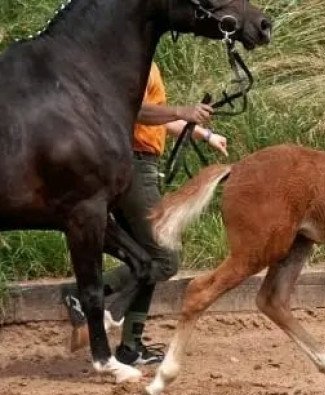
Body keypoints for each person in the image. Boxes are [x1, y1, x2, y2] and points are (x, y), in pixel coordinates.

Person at [65, 62, 228, 365]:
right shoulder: (133, 64)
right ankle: (83, 295)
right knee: (165, 259)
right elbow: (137, 111)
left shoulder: (148, 64)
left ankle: (131, 346)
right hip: (135, 165)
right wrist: (183, 111)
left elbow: (157, 117)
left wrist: (205, 134)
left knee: (144, 253)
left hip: (142, 163)